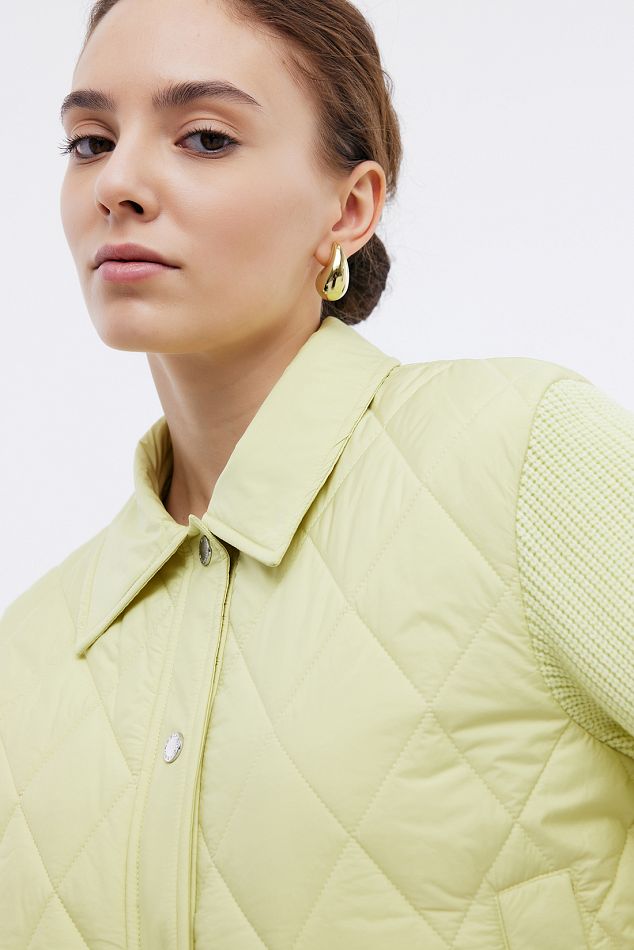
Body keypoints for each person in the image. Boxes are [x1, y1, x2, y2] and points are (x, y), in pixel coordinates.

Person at [1, 0, 632, 946]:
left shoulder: (522, 461)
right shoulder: (28, 654)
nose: (118, 183)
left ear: (350, 208)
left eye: (205, 137)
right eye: (90, 142)